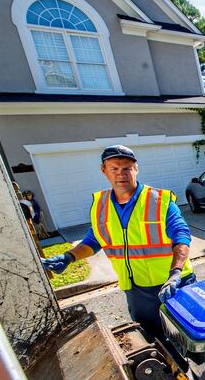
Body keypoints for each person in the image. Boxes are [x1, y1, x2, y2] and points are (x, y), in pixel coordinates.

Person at [41, 145, 195, 342]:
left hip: (173, 284)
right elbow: (95, 239)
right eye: (114, 168)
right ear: (103, 170)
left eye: (127, 168)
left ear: (136, 169)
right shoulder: (101, 205)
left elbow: (182, 236)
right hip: (136, 291)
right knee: (153, 340)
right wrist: (69, 257)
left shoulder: (159, 200)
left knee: (186, 338)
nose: (121, 174)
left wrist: (176, 273)